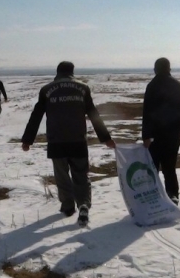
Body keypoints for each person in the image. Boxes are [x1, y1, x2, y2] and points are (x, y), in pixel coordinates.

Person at [21, 61, 116, 227]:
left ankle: (67, 206)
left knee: (62, 176)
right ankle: (84, 204)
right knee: (81, 174)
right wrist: (105, 138)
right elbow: (93, 114)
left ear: (57, 72)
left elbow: (36, 115)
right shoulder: (83, 88)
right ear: (72, 72)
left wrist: (27, 140)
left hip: (56, 141)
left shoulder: (46, 90)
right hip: (78, 140)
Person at [141, 57, 180, 205]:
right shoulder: (178, 86)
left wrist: (146, 136)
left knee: (152, 169)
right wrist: (175, 127)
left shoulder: (152, 86)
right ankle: (173, 196)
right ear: (169, 68)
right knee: (169, 167)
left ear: (155, 69)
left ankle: (153, 198)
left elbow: (147, 113)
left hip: (155, 136)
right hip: (173, 136)